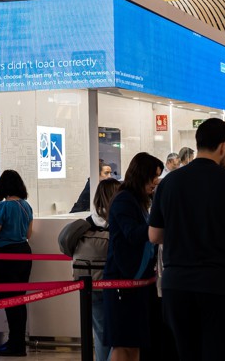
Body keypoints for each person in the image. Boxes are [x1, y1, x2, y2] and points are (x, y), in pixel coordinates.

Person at [149, 118, 225, 360]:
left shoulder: (169, 183)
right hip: (219, 286)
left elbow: (155, 235)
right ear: (224, 147)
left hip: (176, 286)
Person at [103, 152, 163, 361]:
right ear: (141, 175)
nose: (156, 181)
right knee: (122, 345)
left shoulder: (139, 201)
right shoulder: (124, 200)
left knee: (135, 344)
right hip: (122, 284)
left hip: (139, 284)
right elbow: (132, 233)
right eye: (153, 175)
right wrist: (157, 228)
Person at [0, 170, 34, 357]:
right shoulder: (26, 206)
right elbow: (28, 234)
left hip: (4, 257)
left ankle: (15, 345)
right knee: (19, 300)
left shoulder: (2, 208)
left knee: (9, 301)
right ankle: (17, 341)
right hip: (23, 253)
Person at [82, 178, 121, 361]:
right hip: (115, 283)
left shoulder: (88, 221)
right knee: (119, 333)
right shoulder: (118, 219)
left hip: (90, 281)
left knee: (99, 330)